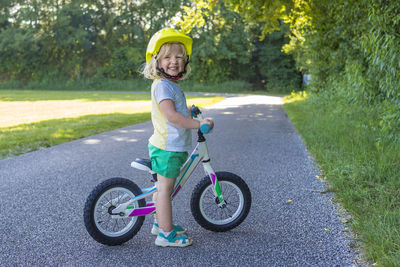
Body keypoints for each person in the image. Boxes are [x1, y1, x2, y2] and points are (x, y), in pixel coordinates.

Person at [142, 28, 213, 247]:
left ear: (185, 61)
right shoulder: (163, 86)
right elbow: (171, 116)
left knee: (161, 188)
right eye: (167, 57)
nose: (174, 61)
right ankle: (165, 234)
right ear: (156, 61)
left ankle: (158, 223)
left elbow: (176, 110)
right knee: (165, 190)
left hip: (168, 146)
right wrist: (198, 124)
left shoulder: (170, 85)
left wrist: (190, 112)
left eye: (179, 57)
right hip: (167, 148)